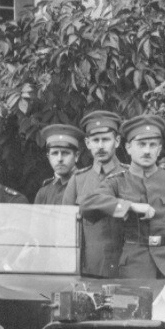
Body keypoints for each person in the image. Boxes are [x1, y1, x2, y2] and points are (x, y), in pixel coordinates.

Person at [80, 114, 165, 279]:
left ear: (159, 149)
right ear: (128, 148)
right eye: (141, 144)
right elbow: (88, 205)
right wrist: (130, 206)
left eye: (152, 145)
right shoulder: (118, 182)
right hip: (135, 267)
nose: (147, 151)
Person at [62, 110, 127, 278]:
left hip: (126, 267)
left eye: (106, 140)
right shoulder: (78, 180)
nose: (100, 146)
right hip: (90, 269)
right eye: (95, 140)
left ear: (117, 141)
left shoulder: (130, 176)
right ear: (87, 143)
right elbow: (66, 229)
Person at [34, 124, 84, 206]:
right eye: (55, 153)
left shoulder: (87, 187)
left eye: (65, 153)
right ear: (48, 157)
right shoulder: (43, 193)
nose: (59, 159)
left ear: (76, 156)